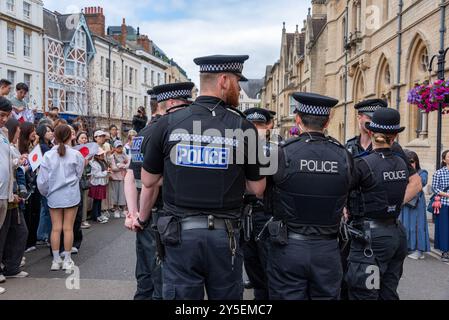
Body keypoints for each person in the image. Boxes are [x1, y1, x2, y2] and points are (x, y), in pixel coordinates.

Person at [140, 55, 265, 300]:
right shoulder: (242, 127)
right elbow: (257, 188)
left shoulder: (168, 123)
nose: (239, 89)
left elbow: (148, 180)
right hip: (224, 237)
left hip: (180, 237)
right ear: (224, 81)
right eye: (237, 82)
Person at [267, 92, 352, 300]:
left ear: (298, 119)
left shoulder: (282, 152)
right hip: (328, 249)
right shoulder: (344, 155)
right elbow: (348, 190)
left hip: (289, 247)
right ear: (328, 119)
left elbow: (265, 194)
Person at [342, 98, 422, 300]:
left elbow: (339, 189)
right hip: (394, 233)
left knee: (366, 292)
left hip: (370, 236)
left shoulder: (364, 163)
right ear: (394, 135)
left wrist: (388, 203)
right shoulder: (398, 160)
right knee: (387, 289)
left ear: (371, 131)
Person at [125, 83, 194, 300]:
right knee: (164, 280)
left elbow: (131, 174)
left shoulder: (142, 134)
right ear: (170, 104)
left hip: (146, 214)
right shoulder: (175, 132)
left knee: (145, 274)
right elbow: (151, 183)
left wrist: (133, 214)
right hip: (169, 214)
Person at [241, 107, 277, 300]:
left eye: (260, 125)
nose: (256, 129)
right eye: (252, 125)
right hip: (245, 216)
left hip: (267, 215)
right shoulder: (239, 151)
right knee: (252, 266)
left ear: (269, 126)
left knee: (270, 269)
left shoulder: (278, 151)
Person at [37, 125, 84, 271]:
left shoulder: (48, 155)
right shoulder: (76, 155)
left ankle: (56, 260)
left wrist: (46, 193)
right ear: (70, 136)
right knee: (68, 228)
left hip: (54, 195)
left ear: (54, 137)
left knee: (56, 228)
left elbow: (42, 181)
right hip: (70, 195)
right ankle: (68, 259)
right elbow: (79, 174)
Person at [0, 118, 30, 287]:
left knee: (18, 232)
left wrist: (19, 162)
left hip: (10, 194)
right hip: (7, 194)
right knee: (5, 234)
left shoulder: (7, 143)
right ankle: (8, 266)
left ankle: (12, 266)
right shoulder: (6, 143)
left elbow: (11, 168)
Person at [399, 150, 430, 260]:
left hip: (417, 205)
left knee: (417, 226)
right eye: (407, 162)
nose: (410, 164)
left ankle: (418, 250)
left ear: (416, 162)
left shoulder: (423, 172)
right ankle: (407, 248)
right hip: (404, 203)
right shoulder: (400, 173)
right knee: (404, 226)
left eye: (412, 161)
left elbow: (420, 183)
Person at [18, 122, 41, 253]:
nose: (35, 133)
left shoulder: (32, 145)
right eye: (32, 130)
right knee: (27, 213)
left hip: (34, 182)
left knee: (35, 211)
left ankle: (32, 240)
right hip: (25, 183)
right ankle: (26, 243)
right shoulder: (20, 147)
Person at [0, 97, 13, 295]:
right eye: (1, 115)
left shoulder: (3, 134)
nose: (4, 120)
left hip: (3, 192)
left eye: (7, 117)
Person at [35, 124, 54, 245]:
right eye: (47, 131)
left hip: (45, 180)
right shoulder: (43, 147)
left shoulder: (48, 146)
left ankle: (42, 234)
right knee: (47, 209)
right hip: (44, 180)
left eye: (51, 131)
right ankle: (45, 234)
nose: (50, 133)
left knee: (45, 209)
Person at [431, 150, 449, 262]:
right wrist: (446, 194)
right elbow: (434, 188)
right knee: (444, 229)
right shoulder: (439, 173)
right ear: (444, 160)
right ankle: (445, 251)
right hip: (443, 204)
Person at [89, 149, 111, 224]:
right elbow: (96, 174)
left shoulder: (101, 162)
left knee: (99, 201)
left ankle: (98, 214)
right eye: (101, 154)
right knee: (96, 201)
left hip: (101, 183)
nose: (102, 155)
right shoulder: (93, 163)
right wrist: (106, 172)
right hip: (96, 184)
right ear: (97, 156)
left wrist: (106, 172)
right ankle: (96, 216)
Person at [110, 140, 128, 219]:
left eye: (120, 146)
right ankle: (116, 209)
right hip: (115, 178)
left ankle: (123, 209)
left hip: (124, 177)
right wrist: (122, 166)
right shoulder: (112, 156)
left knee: (123, 194)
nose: (119, 148)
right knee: (115, 194)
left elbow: (128, 164)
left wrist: (123, 165)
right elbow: (113, 168)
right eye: (118, 147)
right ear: (114, 148)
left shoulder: (124, 155)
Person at [77, 132, 91, 229]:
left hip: (85, 176)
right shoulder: (75, 150)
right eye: (82, 138)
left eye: (85, 138)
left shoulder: (88, 150)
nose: (84, 140)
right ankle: (80, 220)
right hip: (78, 178)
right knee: (79, 200)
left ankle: (84, 219)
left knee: (84, 199)